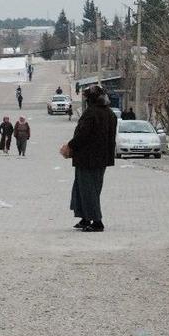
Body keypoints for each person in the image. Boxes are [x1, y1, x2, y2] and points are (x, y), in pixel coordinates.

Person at [67, 85, 117, 232]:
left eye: (87, 98)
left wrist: (70, 146)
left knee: (88, 190)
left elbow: (82, 135)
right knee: (86, 188)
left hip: (87, 158)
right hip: (101, 159)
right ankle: (85, 218)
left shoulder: (91, 114)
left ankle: (97, 222)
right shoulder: (110, 114)